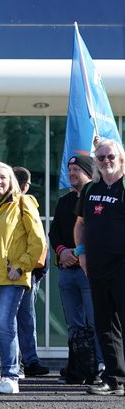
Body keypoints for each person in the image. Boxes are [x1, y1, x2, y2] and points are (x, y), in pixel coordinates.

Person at [0, 162, 47, 394]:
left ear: (11, 180)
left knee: (5, 324)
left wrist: (22, 266)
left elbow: (38, 241)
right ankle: (6, 375)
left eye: (3, 177)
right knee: (2, 325)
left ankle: (12, 376)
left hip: (12, 275)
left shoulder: (23, 202)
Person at [74, 138, 125, 396]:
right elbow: (81, 223)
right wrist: (80, 252)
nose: (106, 161)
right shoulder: (90, 189)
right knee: (105, 323)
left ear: (121, 159)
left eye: (110, 157)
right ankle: (114, 378)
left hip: (122, 264)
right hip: (96, 265)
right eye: (101, 157)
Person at [50, 154, 103, 377]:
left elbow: (99, 232)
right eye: (70, 170)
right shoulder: (64, 201)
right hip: (67, 272)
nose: (71, 174)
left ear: (89, 173)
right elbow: (55, 233)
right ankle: (79, 367)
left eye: (76, 171)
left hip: (88, 272)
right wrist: (63, 252)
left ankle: (101, 367)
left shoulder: (97, 198)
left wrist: (80, 252)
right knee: (74, 325)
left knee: (96, 323)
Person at [11, 166, 49, 378]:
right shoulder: (10, 206)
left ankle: (27, 361)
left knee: (21, 318)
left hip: (25, 271)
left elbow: (38, 242)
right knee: (19, 319)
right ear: (26, 186)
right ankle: (23, 361)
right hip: (20, 271)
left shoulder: (26, 204)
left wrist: (39, 270)